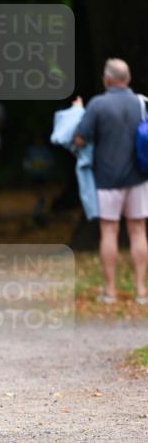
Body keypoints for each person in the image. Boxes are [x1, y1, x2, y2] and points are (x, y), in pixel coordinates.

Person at [74, 59, 148, 303]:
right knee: (138, 231)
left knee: (109, 231)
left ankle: (110, 290)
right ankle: (141, 290)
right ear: (128, 79)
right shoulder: (142, 102)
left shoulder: (98, 104)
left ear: (107, 80)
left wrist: (77, 111)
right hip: (138, 177)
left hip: (107, 178)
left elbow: (79, 139)